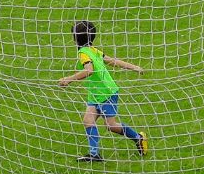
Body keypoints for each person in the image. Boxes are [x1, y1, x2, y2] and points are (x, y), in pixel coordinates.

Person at [56, 20, 147, 163]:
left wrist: (69, 79)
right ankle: (94, 154)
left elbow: (89, 71)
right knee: (88, 121)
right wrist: (134, 67)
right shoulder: (92, 50)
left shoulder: (84, 53)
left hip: (106, 93)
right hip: (95, 94)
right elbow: (112, 61)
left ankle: (138, 138)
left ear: (75, 38)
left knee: (111, 125)